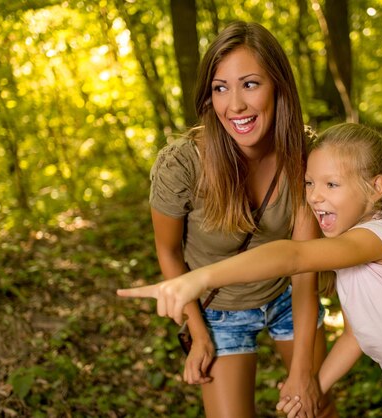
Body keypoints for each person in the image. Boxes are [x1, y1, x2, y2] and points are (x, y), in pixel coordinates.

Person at [118, 123, 382, 418]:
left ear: (377, 189)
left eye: (332, 185)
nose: (316, 198)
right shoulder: (345, 258)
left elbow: (295, 257)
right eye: (310, 184)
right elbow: (354, 336)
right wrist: (313, 384)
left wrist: (200, 277)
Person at [119, 21, 337, 418]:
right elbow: (169, 253)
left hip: (288, 295)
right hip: (219, 309)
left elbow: (304, 267)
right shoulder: (182, 164)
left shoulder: (305, 155)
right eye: (221, 88)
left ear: (279, 87)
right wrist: (198, 333)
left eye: (250, 84)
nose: (234, 105)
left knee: (315, 408)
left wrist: (304, 372)